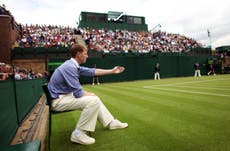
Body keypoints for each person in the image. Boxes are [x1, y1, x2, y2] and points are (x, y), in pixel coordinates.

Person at [48, 44, 128, 145]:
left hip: (63, 97)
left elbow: (92, 71)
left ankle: (111, 122)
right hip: (58, 101)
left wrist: (112, 71)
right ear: (78, 54)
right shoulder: (69, 67)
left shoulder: (73, 65)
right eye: (85, 54)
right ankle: (78, 133)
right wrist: (90, 94)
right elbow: (78, 93)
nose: (87, 56)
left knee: (94, 98)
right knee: (93, 100)